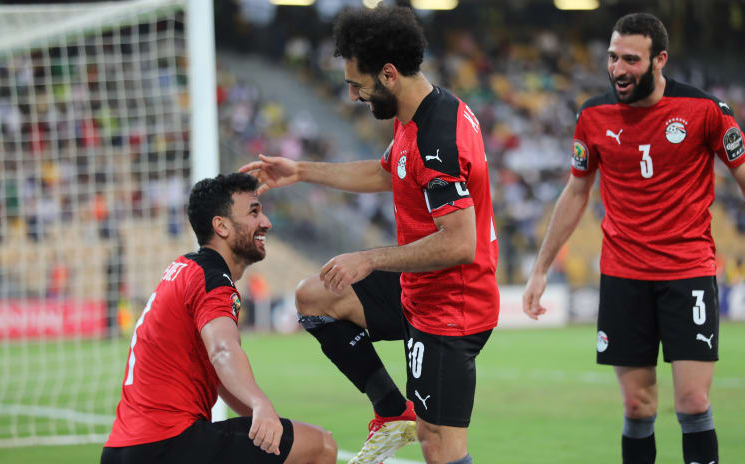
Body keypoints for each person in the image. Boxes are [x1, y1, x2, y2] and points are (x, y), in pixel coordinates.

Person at [522, 12, 745, 464]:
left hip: (687, 274)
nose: (619, 69)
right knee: (637, 406)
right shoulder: (593, 115)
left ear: (660, 60)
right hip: (623, 277)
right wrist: (540, 269)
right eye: (613, 57)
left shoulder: (706, 112)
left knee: (693, 404)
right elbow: (576, 191)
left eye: (631, 60)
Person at [240, 6, 498, 464]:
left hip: (451, 305)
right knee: (316, 296)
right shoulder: (415, 114)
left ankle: (406, 419)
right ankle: (389, 409)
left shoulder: (438, 138)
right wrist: (300, 170)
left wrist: (371, 259)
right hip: (418, 288)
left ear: (389, 74)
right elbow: (386, 172)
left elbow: (460, 243)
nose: (356, 96)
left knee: (439, 445)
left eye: (358, 84)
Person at [101, 173, 337, 464]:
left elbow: (217, 372)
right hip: (169, 444)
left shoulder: (184, 268)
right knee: (321, 446)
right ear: (221, 226)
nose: (266, 222)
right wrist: (260, 403)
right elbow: (223, 351)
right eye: (254, 212)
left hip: (123, 449)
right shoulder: (212, 280)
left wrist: (261, 416)